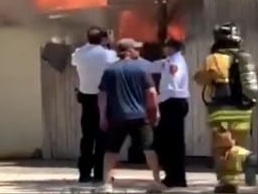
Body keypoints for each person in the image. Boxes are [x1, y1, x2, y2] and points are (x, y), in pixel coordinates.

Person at [193, 22, 258, 193]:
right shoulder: (245, 57)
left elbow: (201, 79)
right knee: (234, 145)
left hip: (222, 111)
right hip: (244, 111)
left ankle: (246, 158)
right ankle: (228, 184)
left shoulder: (215, 58)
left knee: (223, 148)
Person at [98, 38, 163, 193]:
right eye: (135, 49)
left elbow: (102, 95)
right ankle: (157, 181)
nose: (137, 52)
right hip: (140, 116)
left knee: (111, 151)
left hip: (117, 116)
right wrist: (155, 111)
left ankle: (106, 184)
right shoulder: (141, 69)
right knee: (149, 149)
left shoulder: (109, 70)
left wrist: (102, 116)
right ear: (128, 51)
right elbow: (151, 93)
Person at [71, 26, 117, 183]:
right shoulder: (107, 54)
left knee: (87, 138)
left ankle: (84, 173)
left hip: (86, 97)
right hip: (103, 97)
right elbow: (115, 62)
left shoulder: (79, 53)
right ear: (103, 38)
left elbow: (74, 60)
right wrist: (109, 44)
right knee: (102, 137)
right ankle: (100, 173)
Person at [149, 37, 190, 188]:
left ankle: (177, 177)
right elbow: (151, 67)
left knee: (173, 143)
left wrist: (159, 99)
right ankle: (172, 175)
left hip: (173, 103)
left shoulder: (175, 62)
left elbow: (172, 85)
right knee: (167, 142)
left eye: (166, 46)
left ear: (172, 48)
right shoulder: (168, 61)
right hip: (171, 103)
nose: (163, 48)